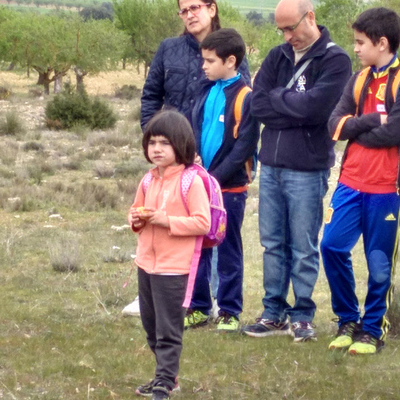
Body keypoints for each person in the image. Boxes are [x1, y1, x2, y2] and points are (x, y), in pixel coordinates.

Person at [122, 0, 250, 316]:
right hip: (172, 161)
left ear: (212, 8)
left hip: (214, 165)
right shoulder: (169, 49)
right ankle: (162, 295)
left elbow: (242, 112)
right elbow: (151, 96)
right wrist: (156, 141)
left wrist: (222, 168)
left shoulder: (230, 47)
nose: (190, 14)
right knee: (162, 225)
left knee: (211, 233)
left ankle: (223, 304)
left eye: (195, 7)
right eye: (183, 10)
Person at [241, 0, 352, 342]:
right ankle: (272, 311)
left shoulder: (335, 60)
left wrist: (278, 98)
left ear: (311, 17)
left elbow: (317, 110)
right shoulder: (277, 56)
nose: (288, 36)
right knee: (273, 242)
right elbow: (257, 104)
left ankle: (302, 314)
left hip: (307, 168)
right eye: (282, 30)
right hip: (271, 165)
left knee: (304, 245)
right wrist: (287, 104)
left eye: (292, 28)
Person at [320, 7, 400, 355]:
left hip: (387, 189)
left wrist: (357, 128)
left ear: (382, 43)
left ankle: (372, 330)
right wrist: (370, 119)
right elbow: (334, 126)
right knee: (332, 246)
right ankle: (347, 320)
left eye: (360, 42)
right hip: (350, 182)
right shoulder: (358, 78)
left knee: (378, 262)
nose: (355, 48)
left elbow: (394, 134)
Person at [128, 110, 211, 399]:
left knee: (168, 329)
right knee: (151, 326)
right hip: (146, 264)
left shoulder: (191, 181)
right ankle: (166, 376)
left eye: (164, 143)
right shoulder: (148, 180)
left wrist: (166, 221)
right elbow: (135, 212)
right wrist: (137, 219)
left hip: (174, 269)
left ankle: (164, 380)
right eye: (152, 143)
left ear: (181, 145)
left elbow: (203, 222)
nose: (157, 149)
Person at [183, 28, 259, 332]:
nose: (204, 66)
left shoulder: (245, 97)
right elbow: (195, 128)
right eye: (203, 59)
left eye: (210, 60)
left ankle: (229, 310)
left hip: (229, 188)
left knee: (228, 248)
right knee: (199, 247)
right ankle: (200, 307)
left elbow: (244, 146)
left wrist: (212, 179)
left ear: (231, 61)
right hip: (202, 184)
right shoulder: (205, 89)